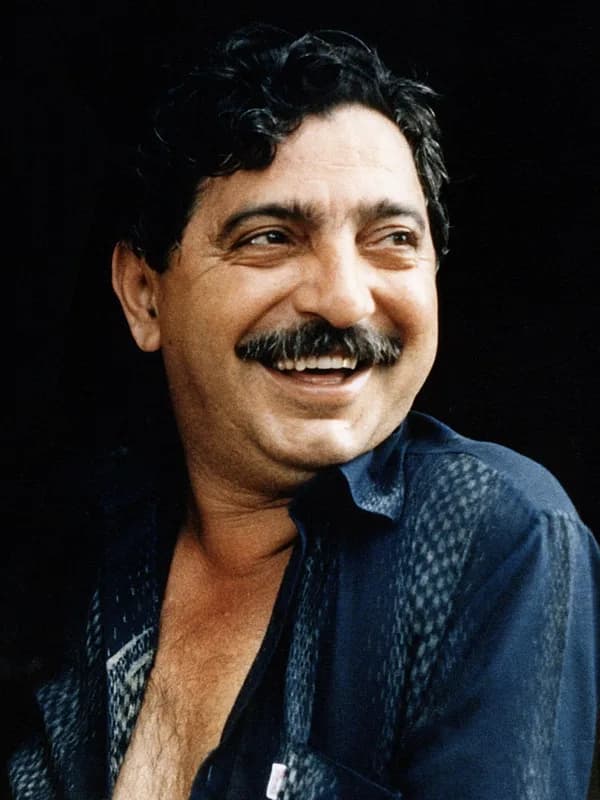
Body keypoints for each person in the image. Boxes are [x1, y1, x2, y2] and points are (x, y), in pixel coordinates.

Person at [7, 23, 599, 800]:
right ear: (145, 295)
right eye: (270, 238)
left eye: (392, 238)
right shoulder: (74, 545)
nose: (345, 300)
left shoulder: (492, 536)